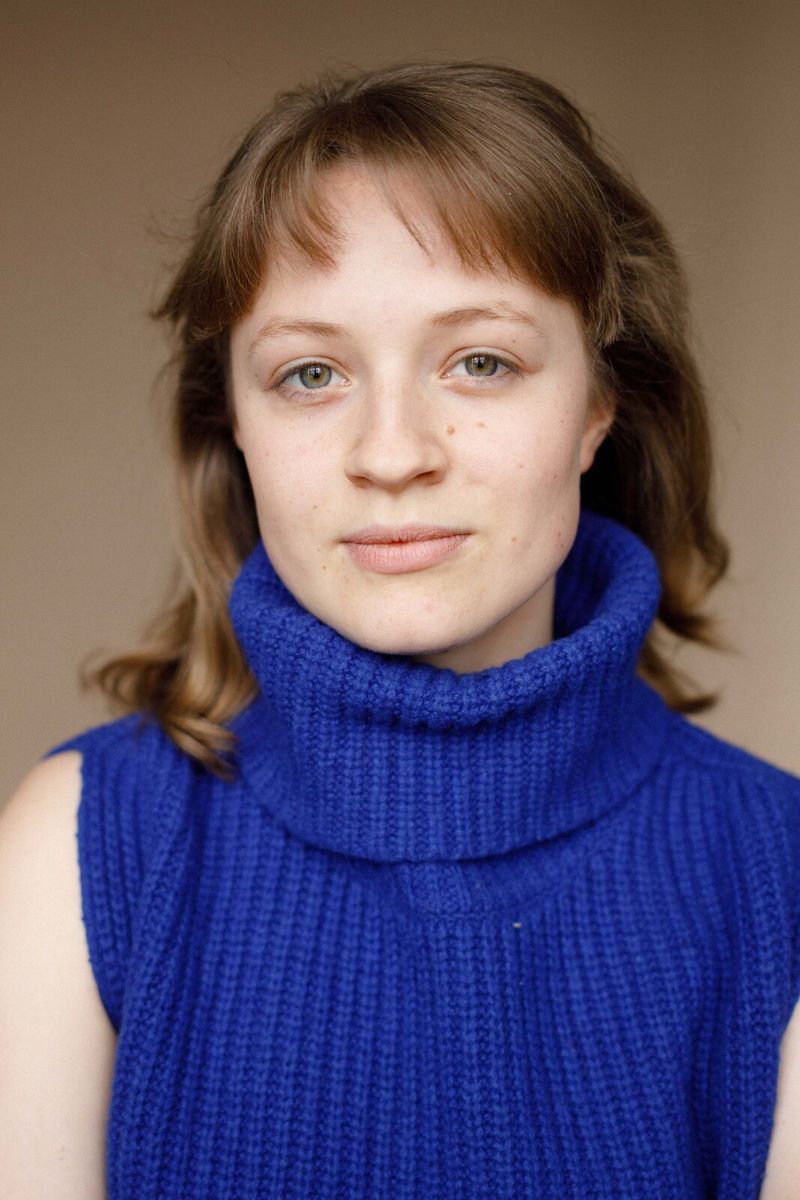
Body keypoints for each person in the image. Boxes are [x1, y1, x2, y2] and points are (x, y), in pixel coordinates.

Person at [1, 60, 798, 1200]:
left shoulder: (777, 872)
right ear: (235, 424)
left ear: (596, 407)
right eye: (309, 373)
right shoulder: (78, 848)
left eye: (480, 361)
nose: (390, 453)